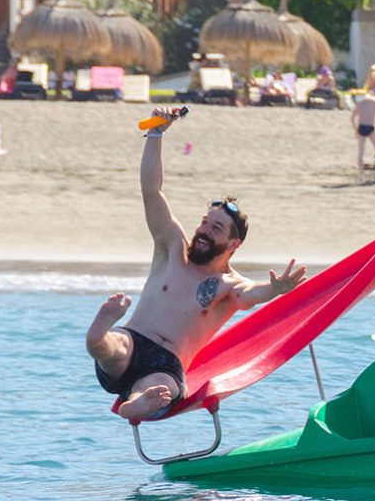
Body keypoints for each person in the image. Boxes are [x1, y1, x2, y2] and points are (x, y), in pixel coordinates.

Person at [85, 107, 308, 420]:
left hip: (166, 364)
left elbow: (253, 294)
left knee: (165, 388)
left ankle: (135, 403)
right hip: (131, 340)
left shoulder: (228, 285)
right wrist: (156, 133)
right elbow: (152, 190)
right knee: (109, 348)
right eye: (205, 222)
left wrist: (276, 288)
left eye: (215, 229)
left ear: (233, 245)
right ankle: (98, 338)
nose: (203, 231)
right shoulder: (171, 246)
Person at [351, 90, 375, 181]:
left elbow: (352, 118)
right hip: (370, 127)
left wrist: (355, 129)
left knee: (361, 152)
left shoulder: (360, 102)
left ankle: (361, 174)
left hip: (361, 126)